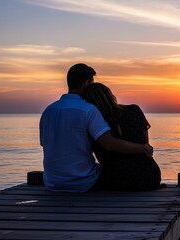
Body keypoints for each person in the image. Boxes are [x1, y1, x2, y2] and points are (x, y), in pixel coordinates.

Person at [39, 63, 153, 192]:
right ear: (87, 84)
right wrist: (144, 148)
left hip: (52, 182)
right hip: (84, 182)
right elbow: (109, 144)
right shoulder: (88, 110)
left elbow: (44, 143)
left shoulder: (48, 111)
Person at [83, 83, 162, 191]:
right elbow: (145, 144)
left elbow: (101, 157)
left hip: (117, 180)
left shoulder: (95, 123)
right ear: (109, 95)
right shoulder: (134, 110)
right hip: (149, 176)